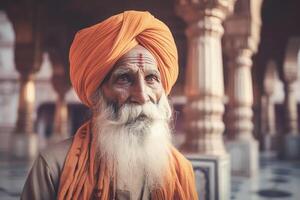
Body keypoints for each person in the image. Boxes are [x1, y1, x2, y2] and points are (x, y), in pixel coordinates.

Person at [21, 10, 198, 200]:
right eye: (124, 78)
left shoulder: (181, 171)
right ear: (98, 93)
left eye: (151, 78)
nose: (141, 95)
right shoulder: (54, 166)